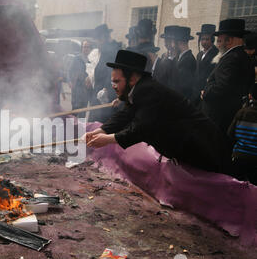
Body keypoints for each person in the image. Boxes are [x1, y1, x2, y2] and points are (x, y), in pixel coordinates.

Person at [84, 50, 232, 174]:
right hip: (188, 145)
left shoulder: (149, 91)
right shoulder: (138, 90)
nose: (113, 87)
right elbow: (125, 114)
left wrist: (107, 139)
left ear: (133, 78)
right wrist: (99, 131)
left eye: (116, 82)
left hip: (203, 145)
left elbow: (140, 128)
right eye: (112, 82)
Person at [201, 19, 255, 135]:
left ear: (229, 40)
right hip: (231, 113)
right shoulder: (244, 57)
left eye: (219, 41)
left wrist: (205, 92)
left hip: (219, 117)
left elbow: (222, 87)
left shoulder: (231, 59)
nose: (217, 44)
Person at [89, 24, 122, 122]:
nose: (96, 43)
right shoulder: (104, 50)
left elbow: (112, 72)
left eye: (97, 40)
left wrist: (106, 88)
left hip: (106, 98)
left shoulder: (113, 51)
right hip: (98, 96)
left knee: (101, 126)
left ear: (103, 37)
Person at [228, 94, 257, 185]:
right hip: (255, 160)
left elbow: (230, 133)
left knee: (236, 186)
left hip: (239, 157)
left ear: (250, 96)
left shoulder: (242, 112)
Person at [193, 24, 219, 108]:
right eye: (202, 39)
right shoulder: (199, 54)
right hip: (196, 90)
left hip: (206, 91)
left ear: (212, 40)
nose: (204, 42)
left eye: (207, 39)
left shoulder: (216, 54)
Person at [68, 40, 93, 118]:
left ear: (90, 48)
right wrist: (69, 81)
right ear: (81, 48)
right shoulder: (77, 58)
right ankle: (71, 128)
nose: (85, 49)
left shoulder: (92, 60)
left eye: (87, 47)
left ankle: (80, 129)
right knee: (75, 110)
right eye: (84, 47)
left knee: (83, 112)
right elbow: (69, 71)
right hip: (76, 89)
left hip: (86, 90)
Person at [173, 26, 197, 102]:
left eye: (174, 42)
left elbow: (183, 85)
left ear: (179, 42)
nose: (173, 46)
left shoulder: (187, 59)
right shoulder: (182, 57)